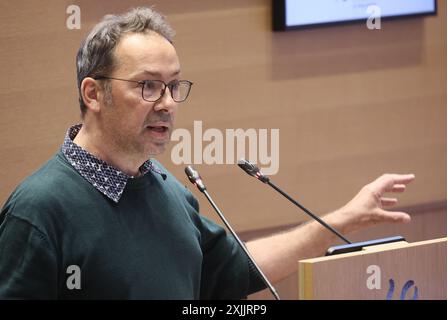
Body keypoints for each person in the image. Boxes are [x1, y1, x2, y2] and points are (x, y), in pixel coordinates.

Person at [0, 7, 415, 299]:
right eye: (147, 85)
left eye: (174, 85)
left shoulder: (167, 191)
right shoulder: (39, 211)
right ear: (94, 93)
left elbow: (234, 273)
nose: (167, 102)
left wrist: (342, 220)